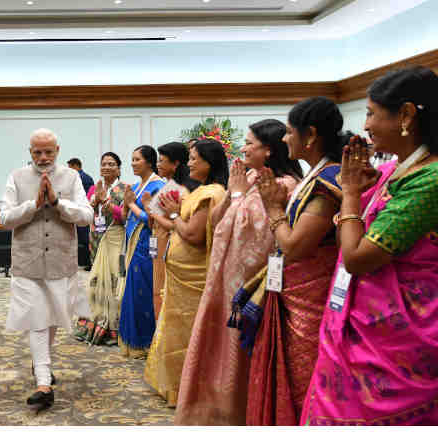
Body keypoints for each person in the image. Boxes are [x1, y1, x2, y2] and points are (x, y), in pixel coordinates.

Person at [302, 67, 438, 425]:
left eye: (371, 113)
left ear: (406, 115)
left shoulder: (431, 179)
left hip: (398, 340)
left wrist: (349, 195)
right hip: (363, 324)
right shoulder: (397, 170)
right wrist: (361, 193)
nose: (365, 126)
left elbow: (358, 257)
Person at [174, 120, 301, 425]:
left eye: (249, 143)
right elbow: (218, 223)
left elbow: (258, 236)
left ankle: (238, 414)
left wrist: (240, 196)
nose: (243, 149)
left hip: (249, 288)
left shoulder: (284, 185)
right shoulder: (247, 178)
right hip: (222, 280)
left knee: (239, 354)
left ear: (269, 150)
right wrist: (236, 193)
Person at [240, 97, 346, 425]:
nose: (285, 139)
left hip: (310, 299)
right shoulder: (316, 177)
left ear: (310, 135)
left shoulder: (327, 182)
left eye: (289, 132)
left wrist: (273, 211)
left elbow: (296, 245)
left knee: (304, 378)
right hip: (293, 291)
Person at [0, 128, 93, 410]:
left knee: (52, 318)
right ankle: (43, 382)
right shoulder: (16, 176)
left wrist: (56, 203)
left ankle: (40, 364)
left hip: (60, 262)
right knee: (38, 319)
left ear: (57, 151)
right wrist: (33, 205)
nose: (43, 157)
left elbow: (86, 216)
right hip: (27, 262)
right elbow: (5, 218)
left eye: (48, 152)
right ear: (30, 152)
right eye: (37, 152)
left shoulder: (72, 177)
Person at [143, 139, 228, 407]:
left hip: (194, 277)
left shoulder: (211, 193)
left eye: (194, 158)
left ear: (209, 162)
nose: (189, 163)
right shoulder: (200, 190)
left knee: (188, 333)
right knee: (175, 329)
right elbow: (178, 225)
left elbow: (193, 235)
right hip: (182, 273)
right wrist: (159, 214)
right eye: (189, 158)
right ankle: (175, 387)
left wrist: (174, 214)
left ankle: (187, 390)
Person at [74, 152, 128, 345]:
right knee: (96, 281)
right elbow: (86, 214)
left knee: (114, 280)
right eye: (103, 164)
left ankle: (114, 328)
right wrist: (95, 201)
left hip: (115, 237)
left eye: (111, 164)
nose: (106, 167)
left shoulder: (125, 189)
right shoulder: (93, 188)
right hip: (96, 238)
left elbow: (125, 216)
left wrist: (107, 202)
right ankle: (94, 321)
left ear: (119, 168)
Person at [118, 145, 165, 358]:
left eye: (137, 159)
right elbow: (127, 214)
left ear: (149, 161)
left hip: (147, 243)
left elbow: (152, 220)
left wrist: (131, 205)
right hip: (132, 241)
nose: (133, 163)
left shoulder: (158, 185)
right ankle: (132, 342)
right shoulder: (137, 185)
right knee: (132, 293)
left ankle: (146, 342)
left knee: (144, 292)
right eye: (132, 159)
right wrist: (126, 206)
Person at [148, 143, 196, 322]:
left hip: (169, 243)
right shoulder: (168, 185)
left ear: (175, 164)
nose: (158, 165)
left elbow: (174, 224)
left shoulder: (179, 189)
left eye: (162, 161)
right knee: (157, 290)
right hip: (158, 242)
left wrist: (151, 212)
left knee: (162, 291)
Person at [68, 158, 95, 270]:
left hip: (82, 211)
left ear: (75, 166)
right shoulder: (85, 177)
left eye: (70, 167)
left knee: (85, 239)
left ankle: (89, 262)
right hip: (80, 211)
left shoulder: (82, 178)